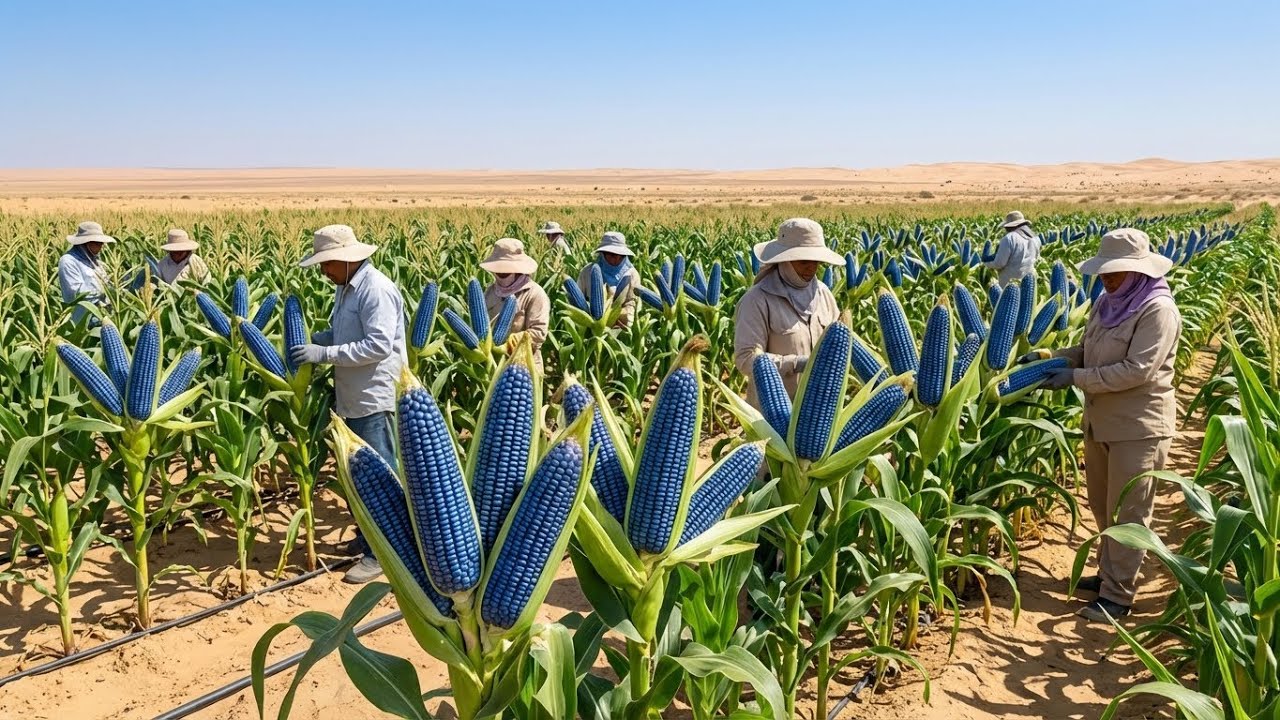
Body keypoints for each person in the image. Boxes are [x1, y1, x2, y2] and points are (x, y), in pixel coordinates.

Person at [1035, 228, 1181, 622]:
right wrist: (1052, 357)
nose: (1108, 278)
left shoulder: (1157, 310)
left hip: (1139, 427)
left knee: (1129, 512)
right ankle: (1106, 575)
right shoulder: (1106, 303)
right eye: (1104, 271)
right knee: (1102, 505)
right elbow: (1087, 351)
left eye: (1117, 271)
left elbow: (1137, 370)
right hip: (1101, 422)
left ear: (1140, 271)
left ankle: (1118, 596)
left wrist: (1075, 378)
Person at [288, 225, 407, 585]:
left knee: (380, 477)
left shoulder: (375, 290)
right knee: (359, 477)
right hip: (352, 398)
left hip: (374, 398)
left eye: (326, 264)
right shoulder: (346, 288)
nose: (323, 271)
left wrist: (323, 354)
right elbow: (346, 336)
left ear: (343, 259)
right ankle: (368, 538)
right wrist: (315, 340)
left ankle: (382, 554)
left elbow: (378, 345)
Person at [733, 218, 843, 408]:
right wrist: (796, 363)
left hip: (821, 409)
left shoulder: (824, 294)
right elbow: (745, 359)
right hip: (772, 413)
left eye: (816, 261)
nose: (812, 268)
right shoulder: (757, 299)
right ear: (784, 260)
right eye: (803, 261)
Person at [480, 238, 551, 369]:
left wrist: (509, 344)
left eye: (506, 268)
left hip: (524, 367)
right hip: (492, 366)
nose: (502, 271)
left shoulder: (534, 293)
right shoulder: (489, 292)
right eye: (498, 267)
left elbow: (539, 332)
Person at [576, 231, 642, 329]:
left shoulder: (632, 274)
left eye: (621, 255)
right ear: (603, 254)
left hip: (620, 328)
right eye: (612, 255)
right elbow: (577, 299)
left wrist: (623, 316)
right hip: (590, 326)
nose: (617, 259)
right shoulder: (587, 272)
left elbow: (632, 303)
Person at [58, 221, 114, 324]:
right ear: (87, 243)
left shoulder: (94, 260)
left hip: (102, 317)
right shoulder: (68, 261)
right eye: (98, 243)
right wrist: (105, 290)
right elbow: (76, 293)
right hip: (84, 321)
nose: (102, 245)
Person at [986, 211, 1042, 288]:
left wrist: (986, 264)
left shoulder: (1009, 238)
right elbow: (1036, 258)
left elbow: (1000, 263)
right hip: (1028, 283)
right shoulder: (1035, 238)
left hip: (1009, 284)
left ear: (1010, 226)